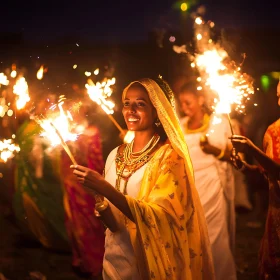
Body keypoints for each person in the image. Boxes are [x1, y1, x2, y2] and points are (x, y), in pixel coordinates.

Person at [71, 77, 214, 279]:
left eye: (140, 104)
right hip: (114, 255)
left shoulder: (169, 158)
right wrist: (100, 203)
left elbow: (162, 218)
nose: (131, 110)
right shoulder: (115, 154)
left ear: (156, 111)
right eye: (127, 104)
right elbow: (111, 211)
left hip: (149, 261)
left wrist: (104, 187)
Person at [178, 81, 237, 280]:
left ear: (200, 100)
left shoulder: (217, 123)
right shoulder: (180, 126)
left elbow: (235, 158)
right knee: (192, 238)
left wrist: (214, 150)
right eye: (182, 104)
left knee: (214, 236)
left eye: (188, 102)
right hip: (188, 190)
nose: (184, 108)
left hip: (211, 186)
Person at [231, 80, 280, 279]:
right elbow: (266, 174)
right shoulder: (273, 132)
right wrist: (245, 167)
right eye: (278, 95)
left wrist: (253, 150)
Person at [60, 103, 105, 277]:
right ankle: (81, 259)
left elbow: (96, 163)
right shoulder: (69, 133)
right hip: (71, 185)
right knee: (74, 223)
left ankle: (96, 262)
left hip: (86, 187)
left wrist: (95, 184)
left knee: (90, 225)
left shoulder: (91, 132)